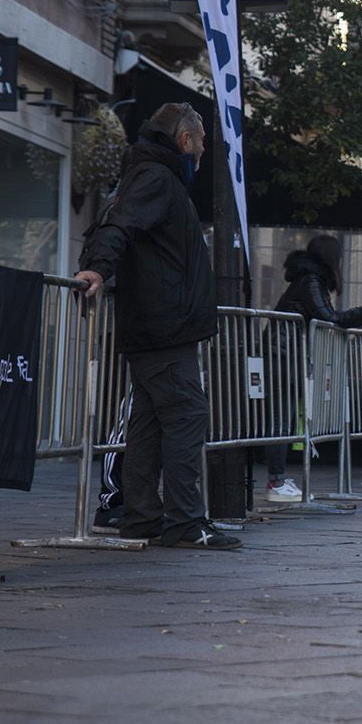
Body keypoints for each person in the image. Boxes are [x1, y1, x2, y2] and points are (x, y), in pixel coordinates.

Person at [75, 103, 238, 550]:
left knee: (148, 425)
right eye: (202, 142)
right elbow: (116, 226)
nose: (203, 151)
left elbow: (118, 225)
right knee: (186, 416)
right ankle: (185, 521)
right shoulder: (157, 179)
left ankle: (143, 516)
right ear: (185, 141)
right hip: (165, 328)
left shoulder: (151, 177)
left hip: (156, 325)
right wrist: (97, 270)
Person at [266, 234, 362, 500]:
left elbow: (327, 318)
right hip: (283, 354)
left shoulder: (308, 280)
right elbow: (328, 317)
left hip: (286, 353)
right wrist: (361, 313)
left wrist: (361, 316)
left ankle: (277, 480)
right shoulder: (310, 281)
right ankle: (275, 481)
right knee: (282, 418)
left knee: (284, 417)